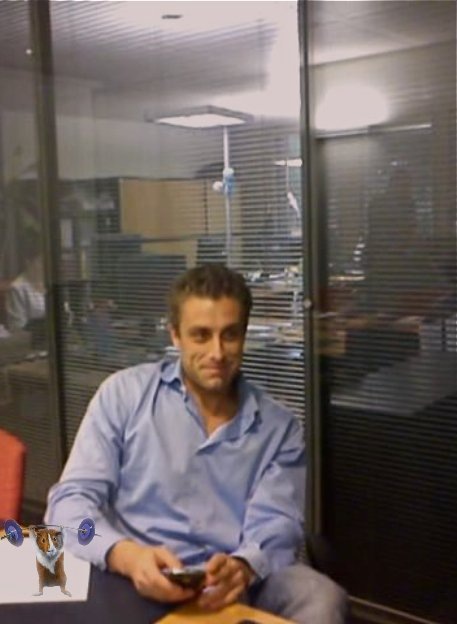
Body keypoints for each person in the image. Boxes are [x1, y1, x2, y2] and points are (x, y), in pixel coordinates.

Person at [44, 263, 347, 623]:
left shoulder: (280, 428)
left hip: (234, 578)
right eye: (201, 335)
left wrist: (244, 565)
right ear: (175, 335)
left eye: (230, 335)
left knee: (322, 597)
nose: (217, 353)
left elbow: (277, 522)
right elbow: (69, 504)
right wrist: (126, 556)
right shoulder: (123, 395)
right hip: (137, 575)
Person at [5, 236, 45, 332]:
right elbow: (17, 326)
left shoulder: (50, 282)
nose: (46, 266)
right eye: (41, 262)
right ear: (28, 262)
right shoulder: (17, 288)